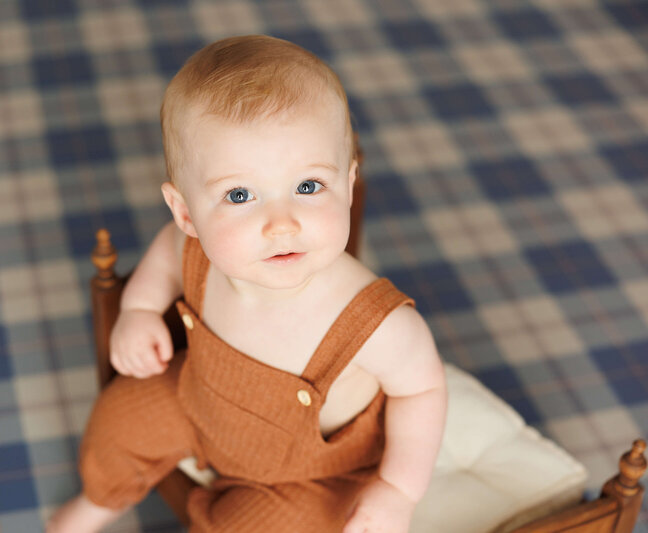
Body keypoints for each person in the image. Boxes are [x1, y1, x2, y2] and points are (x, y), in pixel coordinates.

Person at [48, 35, 446, 533]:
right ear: (186, 213)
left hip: (309, 476)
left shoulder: (377, 324)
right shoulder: (192, 247)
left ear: (347, 184)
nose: (281, 223)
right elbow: (166, 259)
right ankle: (101, 499)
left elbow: (423, 391)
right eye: (240, 195)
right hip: (197, 403)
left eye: (307, 187)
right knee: (121, 418)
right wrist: (140, 310)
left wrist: (397, 491)